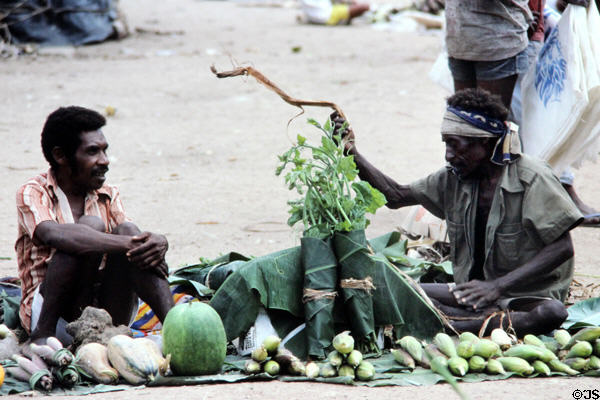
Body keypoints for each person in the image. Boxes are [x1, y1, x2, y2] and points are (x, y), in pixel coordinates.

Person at [333, 88, 583, 336]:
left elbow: (562, 248)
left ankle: (453, 323)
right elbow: (395, 195)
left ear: (483, 142)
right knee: (386, 286)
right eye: (446, 144)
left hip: (527, 295)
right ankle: (471, 320)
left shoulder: (531, 178)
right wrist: (351, 151)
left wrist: (497, 287)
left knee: (552, 313)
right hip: (471, 293)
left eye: (455, 145)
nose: (448, 155)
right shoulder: (456, 178)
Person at [16, 106, 175, 344]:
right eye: (93, 152)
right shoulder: (33, 192)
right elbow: (52, 234)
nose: (104, 161)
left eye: (104, 151)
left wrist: (158, 241)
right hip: (53, 319)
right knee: (89, 229)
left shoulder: (108, 194)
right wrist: (132, 244)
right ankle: (41, 338)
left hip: (106, 319)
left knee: (129, 231)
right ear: (60, 156)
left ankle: (177, 328)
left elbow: (132, 237)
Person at [299, 0, 369, 25]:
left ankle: (344, 19)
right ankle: (343, 20)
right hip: (328, 15)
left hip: (312, 16)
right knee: (365, 6)